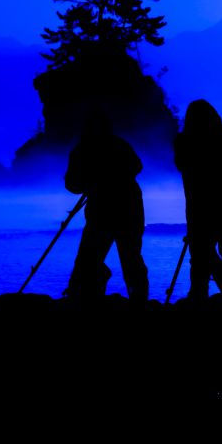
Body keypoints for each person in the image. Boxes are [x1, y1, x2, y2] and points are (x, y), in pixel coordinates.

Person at [64, 110, 148, 302]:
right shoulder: (113, 145)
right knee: (123, 257)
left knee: (114, 256)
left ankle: (88, 295)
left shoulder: (84, 150)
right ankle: (136, 299)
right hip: (121, 208)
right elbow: (72, 183)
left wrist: (96, 180)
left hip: (115, 209)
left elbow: (72, 184)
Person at [174, 99, 222, 300]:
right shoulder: (219, 137)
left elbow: (181, 165)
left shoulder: (183, 141)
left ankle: (199, 295)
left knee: (200, 255)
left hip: (198, 206)